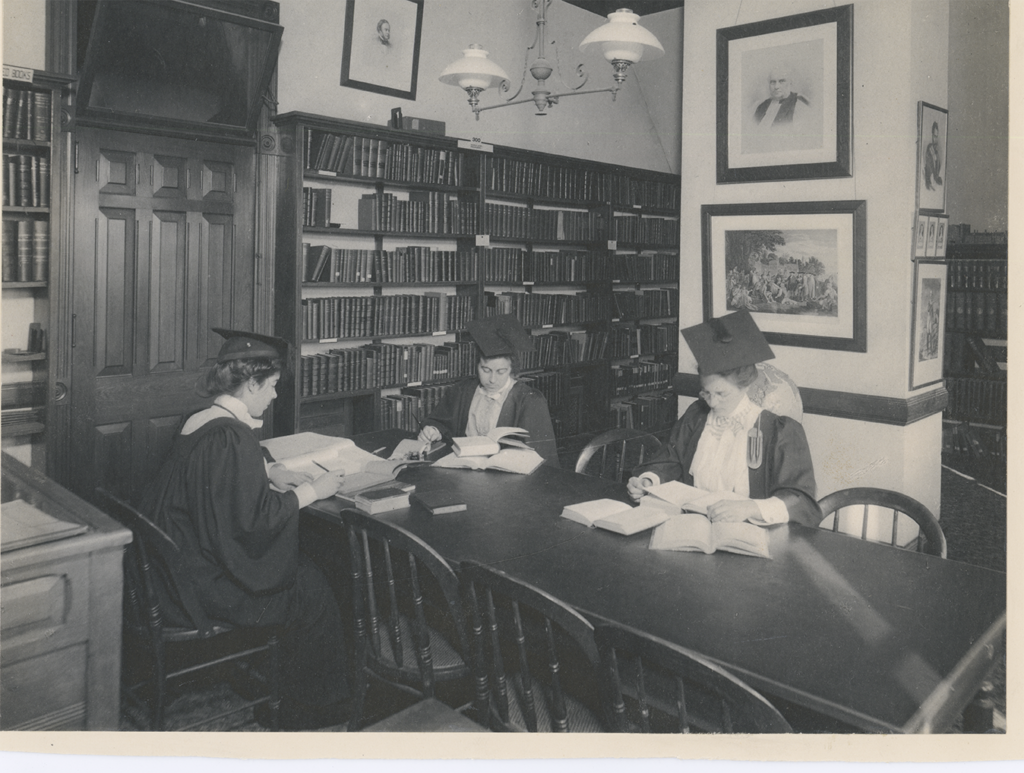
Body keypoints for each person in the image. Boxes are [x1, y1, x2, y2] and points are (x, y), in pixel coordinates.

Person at [141, 328, 352, 729]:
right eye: (271, 386)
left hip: (171, 568)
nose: (274, 396)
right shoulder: (230, 438)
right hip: (198, 585)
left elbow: (221, 486)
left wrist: (270, 469)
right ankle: (311, 709)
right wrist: (312, 489)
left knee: (307, 574)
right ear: (251, 383)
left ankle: (284, 684)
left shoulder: (205, 418)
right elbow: (252, 526)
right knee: (312, 587)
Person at [628, 311, 821, 527]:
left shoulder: (780, 431)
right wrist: (649, 480)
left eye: (721, 394)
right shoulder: (697, 416)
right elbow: (670, 459)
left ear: (745, 385)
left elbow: (801, 501)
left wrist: (751, 508)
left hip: (749, 533)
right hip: (695, 526)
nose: (712, 403)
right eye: (706, 392)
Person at [417, 314, 559, 465]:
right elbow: (442, 423)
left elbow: (540, 454)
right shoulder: (463, 391)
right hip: (464, 466)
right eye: (486, 370)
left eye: (500, 372)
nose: (492, 379)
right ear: (477, 366)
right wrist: (433, 430)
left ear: (512, 370)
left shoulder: (529, 400)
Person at [924, 121, 943, 190]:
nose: (935, 139)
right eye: (934, 136)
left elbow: (938, 163)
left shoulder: (937, 150)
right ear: (932, 135)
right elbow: (929, 164)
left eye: (937, 136)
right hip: (929, 176)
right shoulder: (930, 148)